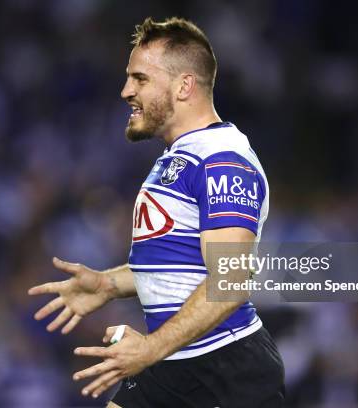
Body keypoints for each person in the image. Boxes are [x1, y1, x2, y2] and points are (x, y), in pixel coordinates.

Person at [28, 17, 285, 407]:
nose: (125, 91)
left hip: (225, 371)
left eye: (140, 79)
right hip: (176, 361)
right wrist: (108, 285)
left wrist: (149, 350)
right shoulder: (180, 157)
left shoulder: (223, 160)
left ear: (184, 86)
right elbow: (181, 266)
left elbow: (231, 280)